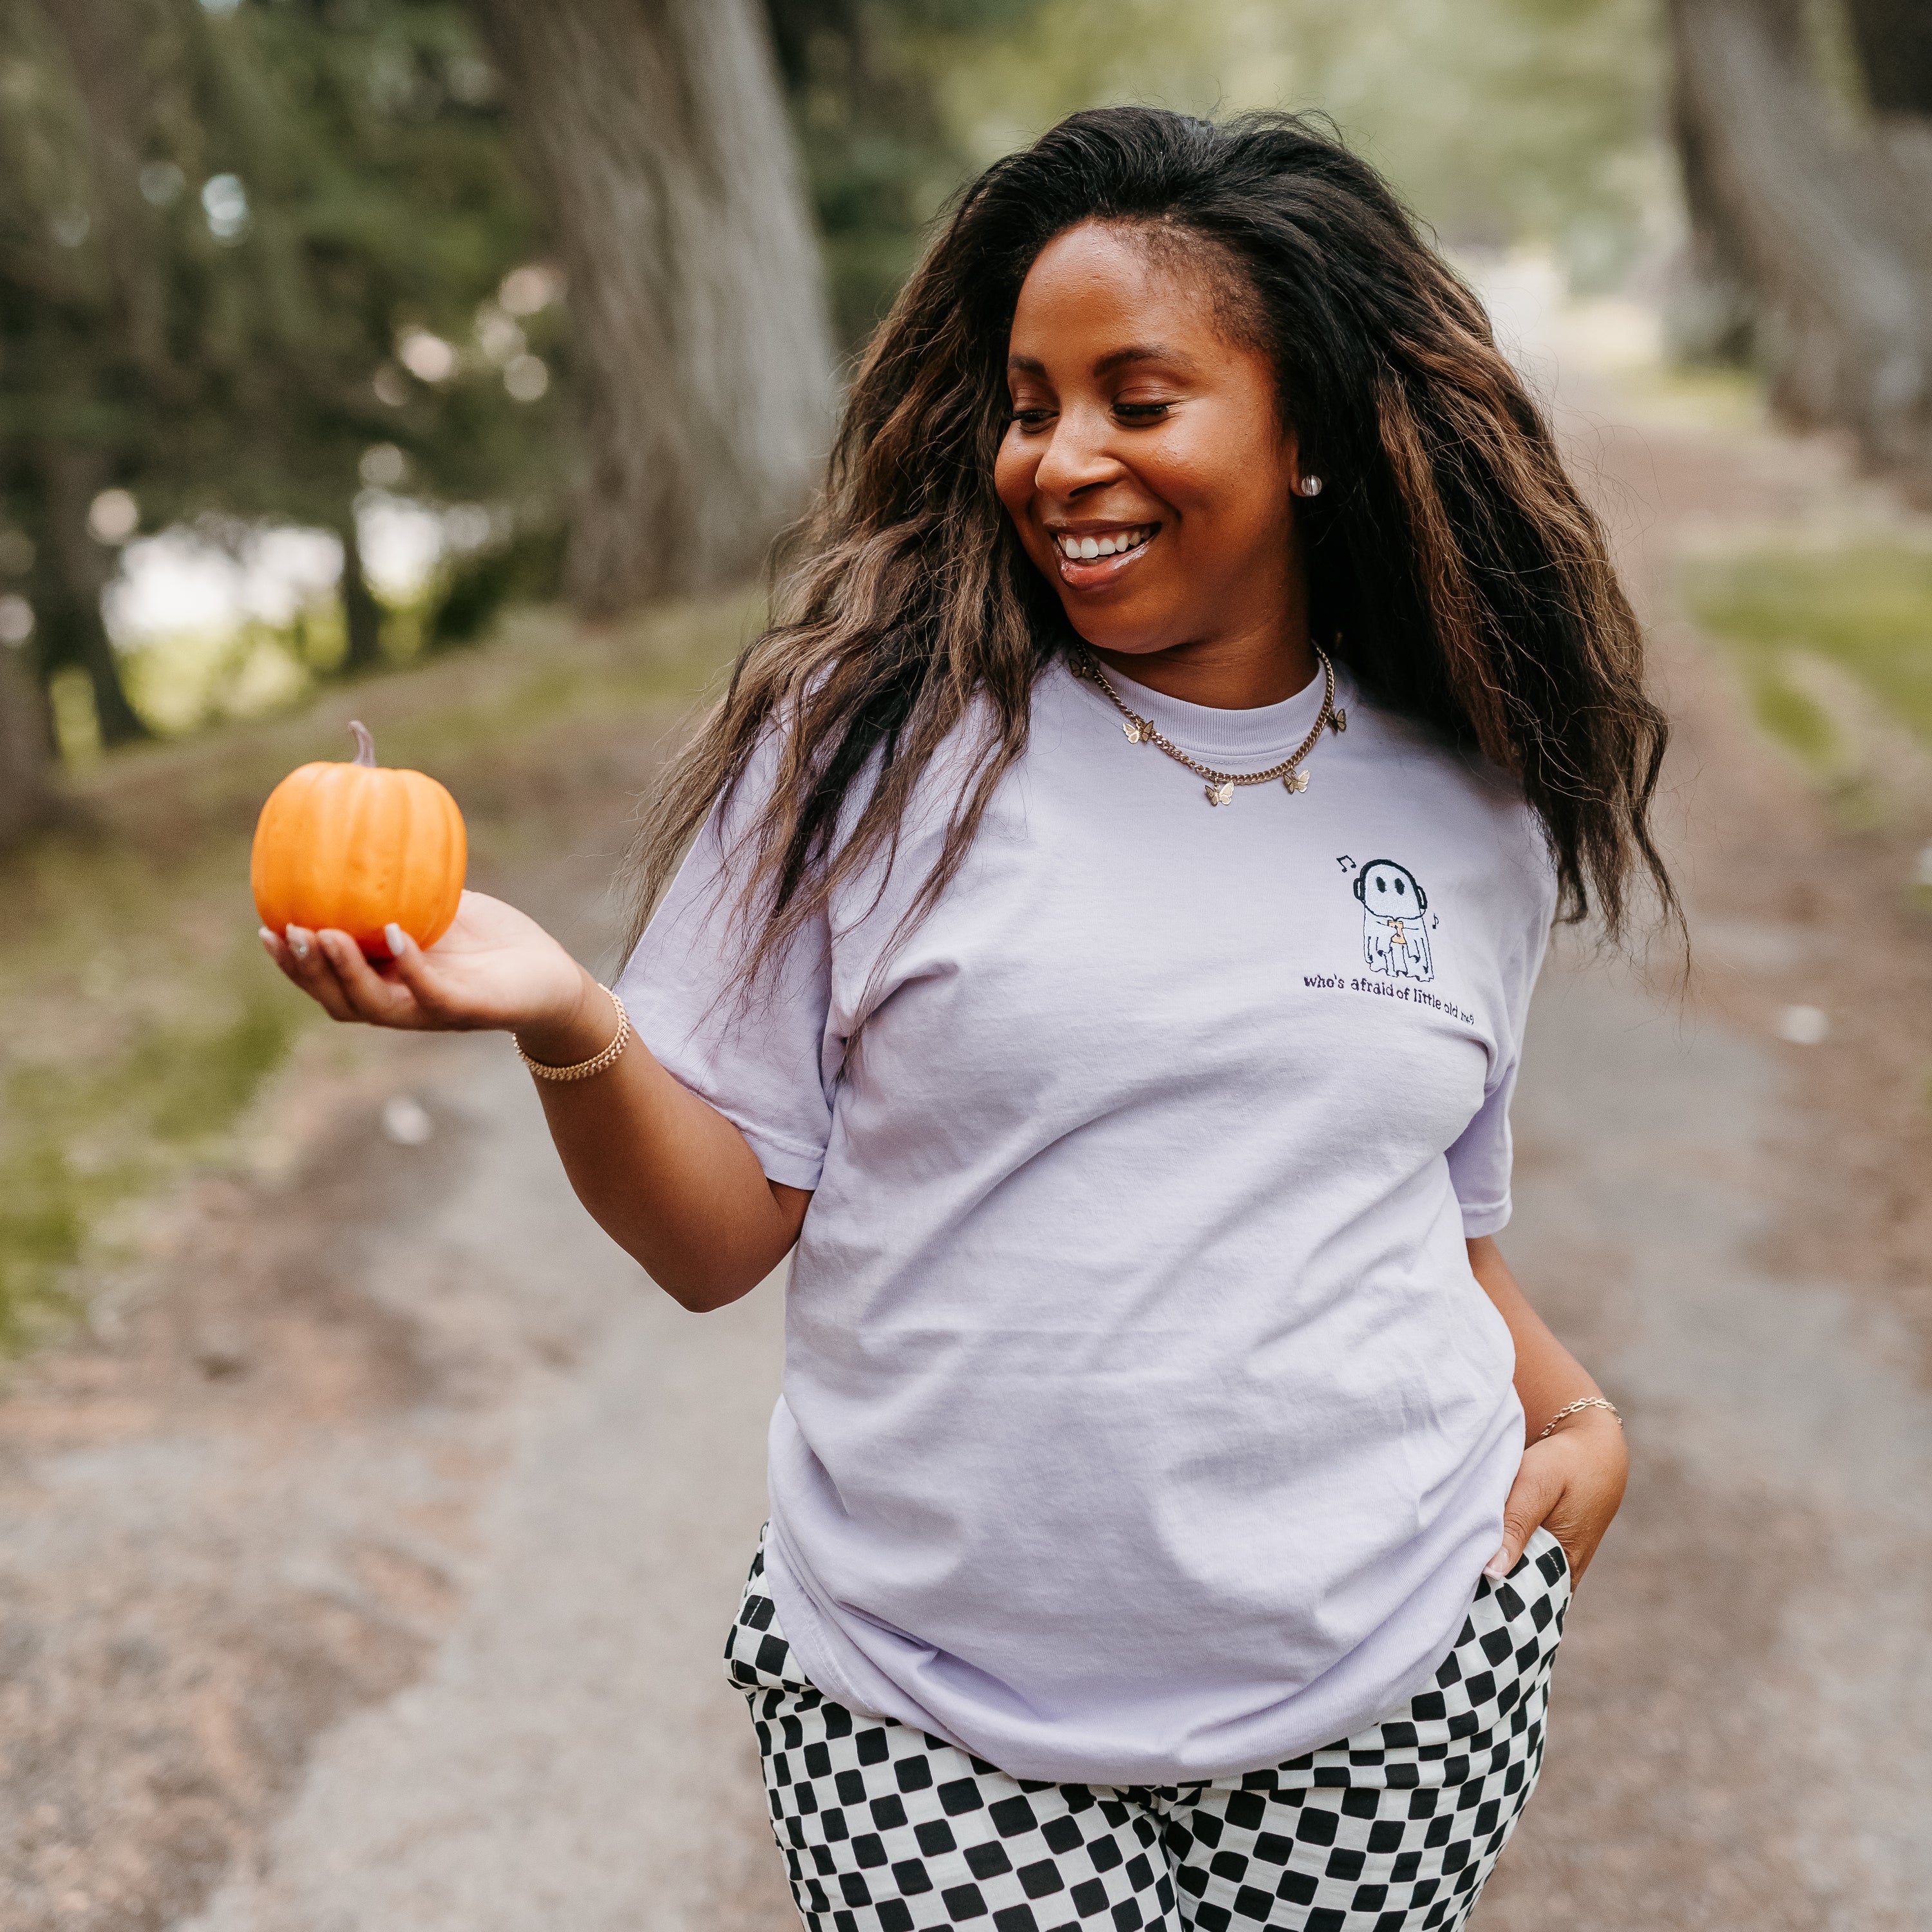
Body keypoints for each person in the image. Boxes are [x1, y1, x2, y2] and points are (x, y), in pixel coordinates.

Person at [264, 107, 1662, 1932]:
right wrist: (570, 1022)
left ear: (1307, 433)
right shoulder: (873, 750)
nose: (1062, 460)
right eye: (1028, 402)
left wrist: (1581, 1416)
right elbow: (712, 1245)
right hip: (937, 1723)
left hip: (1391, 1695)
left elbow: (1419, 1216)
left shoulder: (1467, 810)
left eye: (1136, 402)